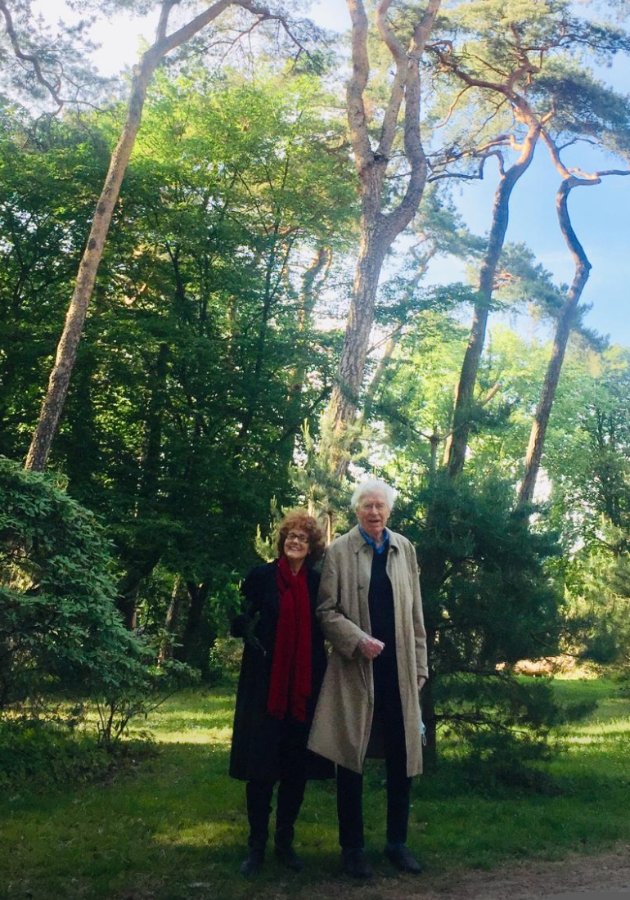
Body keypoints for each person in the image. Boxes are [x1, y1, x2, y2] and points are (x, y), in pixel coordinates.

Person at [307, 479, 428, 879]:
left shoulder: (404, 548)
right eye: (367, 506)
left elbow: (416, 614)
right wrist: (358, 640)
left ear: (389, 510)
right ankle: (353, 849)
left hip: (399, 671)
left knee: (402, 757)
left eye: (380, 506)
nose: (374, 512)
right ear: (356, 510)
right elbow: (326, 611)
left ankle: (397, 844)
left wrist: (420, 666)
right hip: (356, 670)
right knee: (351, 759)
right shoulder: (340, 550)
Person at [229, 511, 331, 876]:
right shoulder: (260, 577)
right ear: (282, 541)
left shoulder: (318, 583)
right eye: (291, 536)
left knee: (294, 769)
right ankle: (255, 846)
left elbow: (328, 624)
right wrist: (240, 624)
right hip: (264, 685)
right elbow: (239, 620)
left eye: (303, 538)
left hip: (303, 689)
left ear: (312, 546)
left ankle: (285, 843)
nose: (295, 542)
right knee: (260, 769)